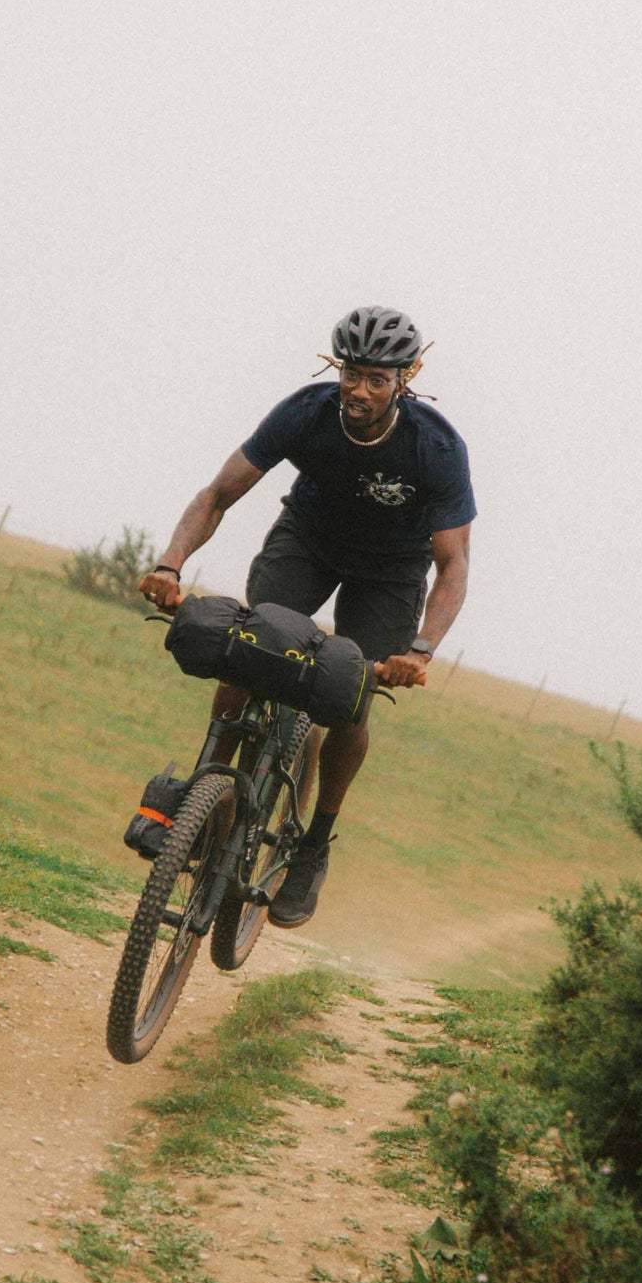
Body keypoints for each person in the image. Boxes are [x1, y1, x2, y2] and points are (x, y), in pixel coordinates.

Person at [139, 305, 474, 928]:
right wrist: (170, 564)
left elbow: (452, 566)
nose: (359, 389)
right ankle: (205, 791)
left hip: (391, 573)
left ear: (406, 379)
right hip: (309, 541)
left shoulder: (436, 446)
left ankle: (314, 843)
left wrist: (421, 650)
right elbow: (218, 494)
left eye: (377, 378)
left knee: (352, 698)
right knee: (246, 645)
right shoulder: (306, 412)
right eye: (352, 372)